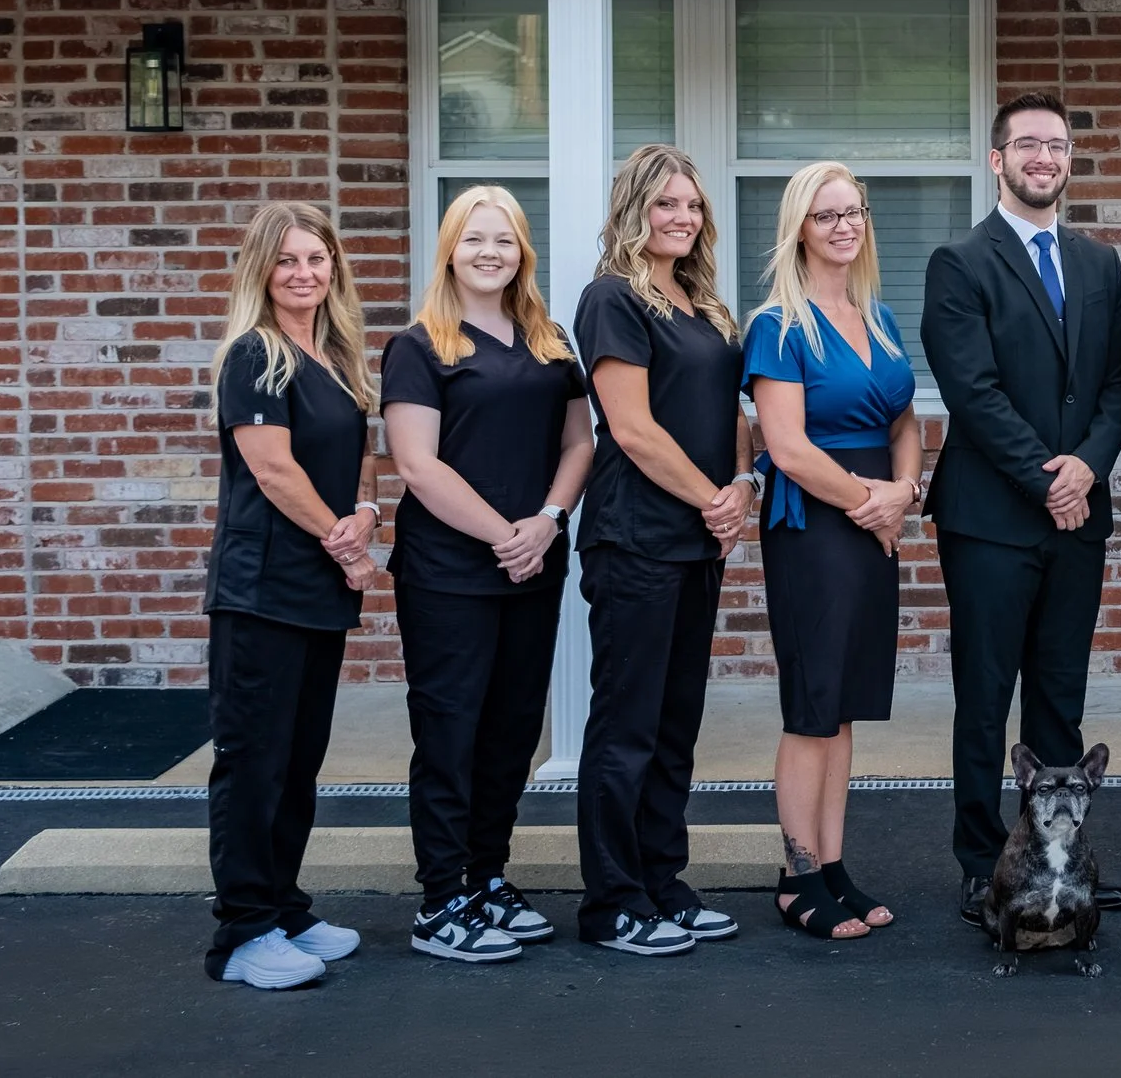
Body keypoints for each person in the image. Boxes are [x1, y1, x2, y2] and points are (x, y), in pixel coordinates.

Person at [922, 93, 1121, 925]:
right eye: (1028, 145)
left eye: (1057, 144)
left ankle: (1059, 864)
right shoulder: (960, 262)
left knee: (1059, 698)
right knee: (984, 698)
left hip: (1078, 517)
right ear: (997, 159)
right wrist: (1048, 477)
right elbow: (971, 391)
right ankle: (985, 864)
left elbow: (1118, 386)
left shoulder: (1096, 263)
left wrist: (1086, 466)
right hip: (990, 517)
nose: (1044, 157)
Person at [383, 186, 591, 964]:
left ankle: (486, 876)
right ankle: (441, 900)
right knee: (450, 733)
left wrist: (547, 520)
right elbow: (416, 463)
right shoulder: (420, 344)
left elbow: (580, 445)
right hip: (449, 571)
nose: (490, 252)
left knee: (510, 733)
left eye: (504, 240)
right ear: (449, 248)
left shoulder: (547, 338)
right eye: (475, 239)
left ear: (523, 251)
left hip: (533, 562)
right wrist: (506, 532)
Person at [572, 144, 754, 957]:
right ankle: (613, 900)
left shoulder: (703, 302)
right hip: (637, 537)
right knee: (626, 725)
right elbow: (633, 428)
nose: (683, 217)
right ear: (633, 210)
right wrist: (712, 497)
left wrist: (743, 481)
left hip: (697, 539)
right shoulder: (613, 298)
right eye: (665, 204)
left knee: (676, 722)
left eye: (692, 205)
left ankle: (662, 881)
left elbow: (734, 412)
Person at [202, 201, 384, 990]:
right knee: (253, 761)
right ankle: (242, 934)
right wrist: (341, 538)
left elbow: (361, 460)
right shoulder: (254, 354)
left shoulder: (339, 358)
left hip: (318, 585)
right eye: (287, 261)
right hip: (261, 589)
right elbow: (273, 469)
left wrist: (367, 516)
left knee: (299, 761)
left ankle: (283, 906)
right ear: (261, 271)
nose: (304, 273)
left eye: (316, 258)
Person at [744, 162, 921, 940]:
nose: (845, 226)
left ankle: (834, 862)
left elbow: (907, 420)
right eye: (827, 215)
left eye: (854, 212)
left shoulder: (875, 314)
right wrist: (869, 502)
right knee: (812, 706)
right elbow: (785, 446)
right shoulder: (778, 323)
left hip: (873, 518)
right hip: (815, 527)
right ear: (800, 227)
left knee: (843, 707)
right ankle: (797, 875)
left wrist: (905, 492)